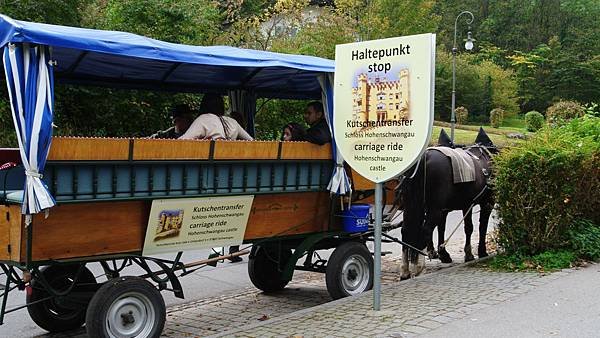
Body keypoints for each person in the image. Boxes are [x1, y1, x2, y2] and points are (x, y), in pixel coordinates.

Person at [179, 94, 253, 141]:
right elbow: (251, 141)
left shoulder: (203, 119)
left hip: (208, 164)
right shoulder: (232, 122)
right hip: (229, 163)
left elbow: (184, 140)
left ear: (204, 106)